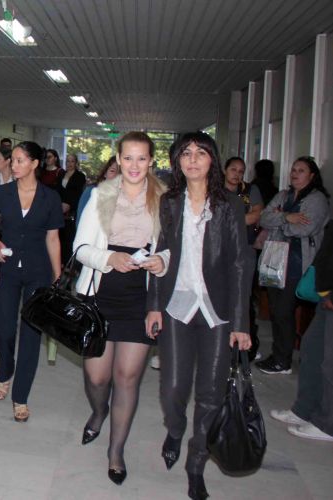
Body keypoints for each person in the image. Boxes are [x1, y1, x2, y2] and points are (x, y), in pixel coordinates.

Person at [146, 132, 252, 500]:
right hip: (177, 305)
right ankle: (175, 429)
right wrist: (154, 305)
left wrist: (240, 323)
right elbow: (161, 253)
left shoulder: (229, 205)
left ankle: (196, 462)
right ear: (177, 161)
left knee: (211, 393)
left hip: (217, 311)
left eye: (200, 153)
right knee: (173, 387)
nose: (193, 160)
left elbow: (240, 264)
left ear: (212, 160)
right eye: (186, 153)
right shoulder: (170, 202)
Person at [74, 132, 167, 485]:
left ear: (151, 161)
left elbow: (172, 249)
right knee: (98, 376)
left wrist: (161, 261)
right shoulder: (101, 194)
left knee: (127, 377)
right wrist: (109, 258)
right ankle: (99, 411)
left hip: (140, 298)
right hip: (100, 293)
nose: (134, 165)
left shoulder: (164, 199)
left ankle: (116, 451)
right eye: (128, 157)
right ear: (118, 159)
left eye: (142, 158)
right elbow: (80, 248)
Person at [0, 141, 63, 422]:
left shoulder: (50, 197)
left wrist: (57, 277)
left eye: (19, 160)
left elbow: (53, 238)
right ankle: (6, 368)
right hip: (8, 269)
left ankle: (21, 396)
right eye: (12, 160)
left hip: (39, 270)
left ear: (34, 164)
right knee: (3, 327)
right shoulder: (2, 193)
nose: (13, 165)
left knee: (31, 333)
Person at [256, 156, 330, 374]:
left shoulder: (317, 200)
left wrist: (280, 220)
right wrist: (288, 217)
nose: (295, 174)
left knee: (283, 311)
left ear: (312, 176)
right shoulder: (283, 195)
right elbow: (263, 218)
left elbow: (304, 229)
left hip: (297, 264)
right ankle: (278, 355)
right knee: (276, 310)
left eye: (301, 170)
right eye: (293, 170)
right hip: (274, 260)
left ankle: (283, 361)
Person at [270, 221, 333, 442]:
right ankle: (304, 410)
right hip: (325, 293)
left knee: (330, 361)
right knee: (311, 349)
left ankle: (328, 424)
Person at [223, 156, 264, 359]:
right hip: (221, 250)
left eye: (241, 171)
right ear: (225, 170)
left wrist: (230, 221)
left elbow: (257, 214)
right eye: (233, 169)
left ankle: (247, 346)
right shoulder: (215, 189)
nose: (237, 174)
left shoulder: (250, 190)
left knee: (243, 295)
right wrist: (241, 220)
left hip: (245, 248)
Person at [58, 153, 86, 265]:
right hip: (59, 209)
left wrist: (68, 204)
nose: (69, 163)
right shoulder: (61, 174)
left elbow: (77, 193)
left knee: (69, 238)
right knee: (60, 237)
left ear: (76, 163)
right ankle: (60, 262)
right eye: (68, 161)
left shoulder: (80, 176)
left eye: (72, 161)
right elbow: (58, 190)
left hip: (72, 210)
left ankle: (69, 264)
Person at [76, 156, 119, 223]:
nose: (116, 175)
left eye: (120, 172)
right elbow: (80, 221)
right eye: (112, 171)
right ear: (105, 173)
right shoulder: (91, 192)